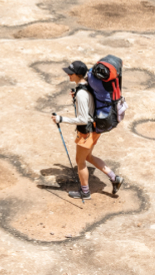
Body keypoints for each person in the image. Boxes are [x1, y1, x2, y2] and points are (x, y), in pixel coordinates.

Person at [51, 60, 124, 200]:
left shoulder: (81, 94)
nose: (68, 75)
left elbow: (83, 119)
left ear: (78, 74)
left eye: (71, 73)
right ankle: (115, 178)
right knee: (88, 157)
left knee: (80, 161)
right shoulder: (87, 86)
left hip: (87, 132)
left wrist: (61, 119)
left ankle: (85, 192)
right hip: (95, 129)